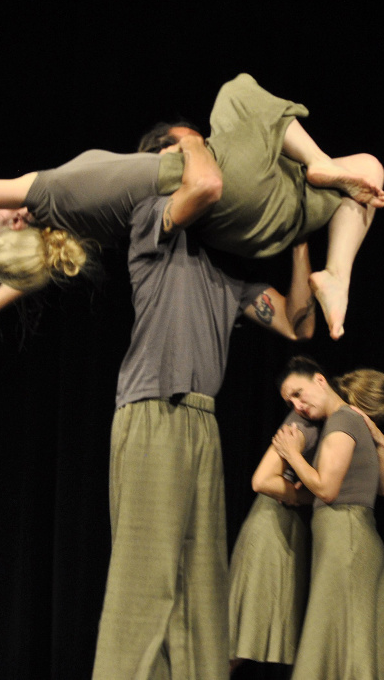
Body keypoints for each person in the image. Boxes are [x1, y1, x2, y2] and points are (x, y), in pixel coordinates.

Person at [0, 74, 384, 342]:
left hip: (255, 229)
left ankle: (338, 275)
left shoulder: (79, 227)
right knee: (237, 91)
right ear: (13, 220)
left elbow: (27, 276)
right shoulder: (45, 193)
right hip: (226, 184)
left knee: (368, 174)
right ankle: (318, 164)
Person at [92, 177, 318, 679]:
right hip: (154, 409)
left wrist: (300, 242)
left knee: (201, 583)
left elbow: (298, 324)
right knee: (144, 579)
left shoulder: (231, 278)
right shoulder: (153, 223)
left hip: (201, 420)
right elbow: (204, 188)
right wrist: (191, 153)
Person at [228, 364, 384, 675]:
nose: (297, 406)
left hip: (337, 537)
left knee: (336, 648)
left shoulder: (341, 422)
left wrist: (295, 458)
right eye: (290, 400)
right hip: (322, 534)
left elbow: (335, 490)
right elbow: (382, 489)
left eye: (299, 394)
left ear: (321, 381)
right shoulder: (323, 420)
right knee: (340, 648)